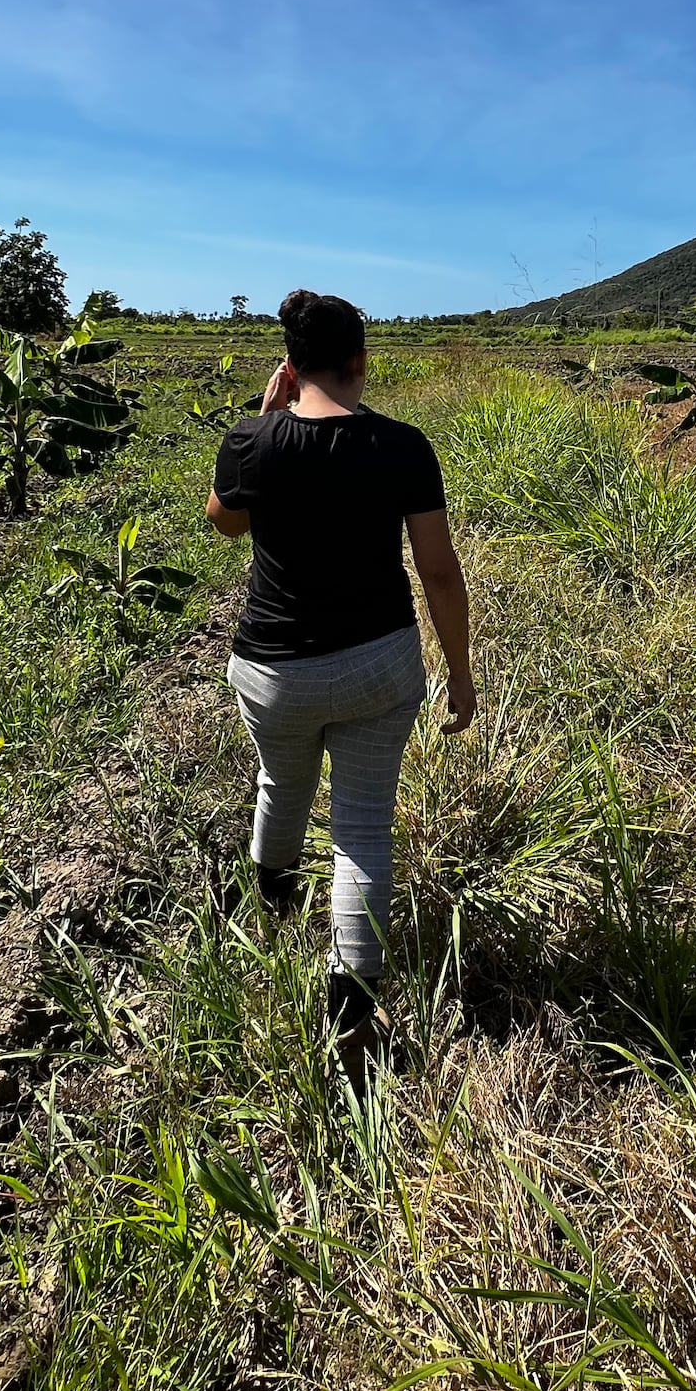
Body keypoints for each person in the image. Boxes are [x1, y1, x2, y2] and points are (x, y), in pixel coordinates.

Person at [205, 288, 476, 1082]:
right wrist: (458, 670)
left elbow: (227, 522)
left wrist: (263, 418)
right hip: (376, 666)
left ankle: (274, 908)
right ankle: (353, 1014)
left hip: (271, 669)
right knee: (361, 832)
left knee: (278, 784)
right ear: (362, 362)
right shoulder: (402, 446)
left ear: (289, 367)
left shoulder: (251, 441)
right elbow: (438, 570)